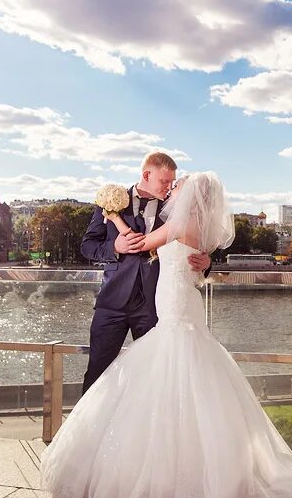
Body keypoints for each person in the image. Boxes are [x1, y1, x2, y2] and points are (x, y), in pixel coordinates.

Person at [43, 171, 292, 498]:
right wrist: (115, 222)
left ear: (191, 194)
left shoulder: (177, 221)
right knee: (170, 378)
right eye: (169, 182)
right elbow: (146, 251)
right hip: (163, 303)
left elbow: (143, 245)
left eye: (179, 185)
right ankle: (176, 467)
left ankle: (158, 473)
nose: (173, 188)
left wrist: (115, 218)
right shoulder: (198, 223)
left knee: (161, 375)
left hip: (171, 307)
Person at [78, 152, 210, 394]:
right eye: (164, 182)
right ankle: (88, 431)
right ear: (146, 175)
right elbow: (87, 246)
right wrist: (113, 247)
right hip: (112, 304)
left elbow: (191, 248)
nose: (169, 188)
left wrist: (206, 262)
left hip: (154, 308)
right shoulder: (111, 202)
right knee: (98, 372)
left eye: (173, 183)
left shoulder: (177, 209)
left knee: (153, 378)